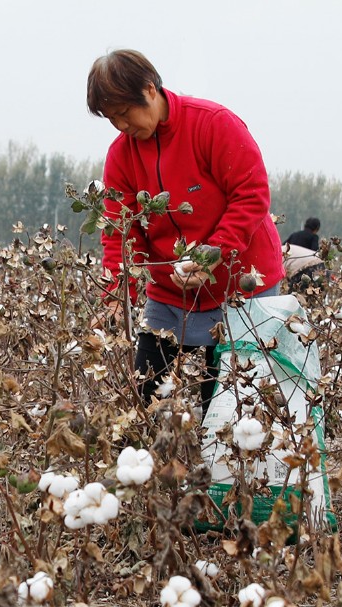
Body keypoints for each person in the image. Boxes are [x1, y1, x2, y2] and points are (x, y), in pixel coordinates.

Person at [87, 49, 285, 407]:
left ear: (149, 90)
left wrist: (216, 252)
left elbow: (251, 195)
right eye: (111, 119)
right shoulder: (121, 156)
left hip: (239, 285)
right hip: (170, 294)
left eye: (123, 113)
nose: (121, 126)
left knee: (229, 408)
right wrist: (119, 296)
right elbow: (120, 233)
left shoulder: (212, 124)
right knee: (145, 395)